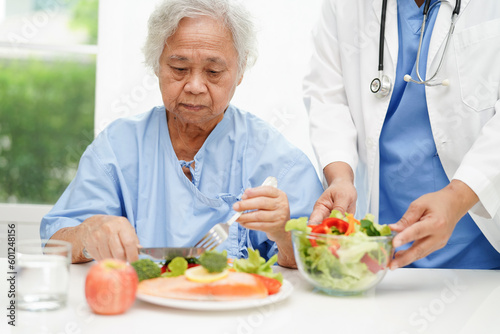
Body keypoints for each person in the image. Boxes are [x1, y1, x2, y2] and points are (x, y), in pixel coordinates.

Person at [41, 0, 323, 267]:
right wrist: (86, 235)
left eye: (213, 71)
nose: (195, 86)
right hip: (136, 313)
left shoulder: (279, 160)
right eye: (179, 69)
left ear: (240, 69)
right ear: (156, 64)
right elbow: (54, 244)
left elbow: (320, 260)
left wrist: (284, 235)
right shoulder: (117, 146)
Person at [304, 0, 500, 269]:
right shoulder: (346, 6)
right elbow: (327, 96)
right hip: (382, 246)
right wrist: (340, 178)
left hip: (482, 247)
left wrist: (457, 197)